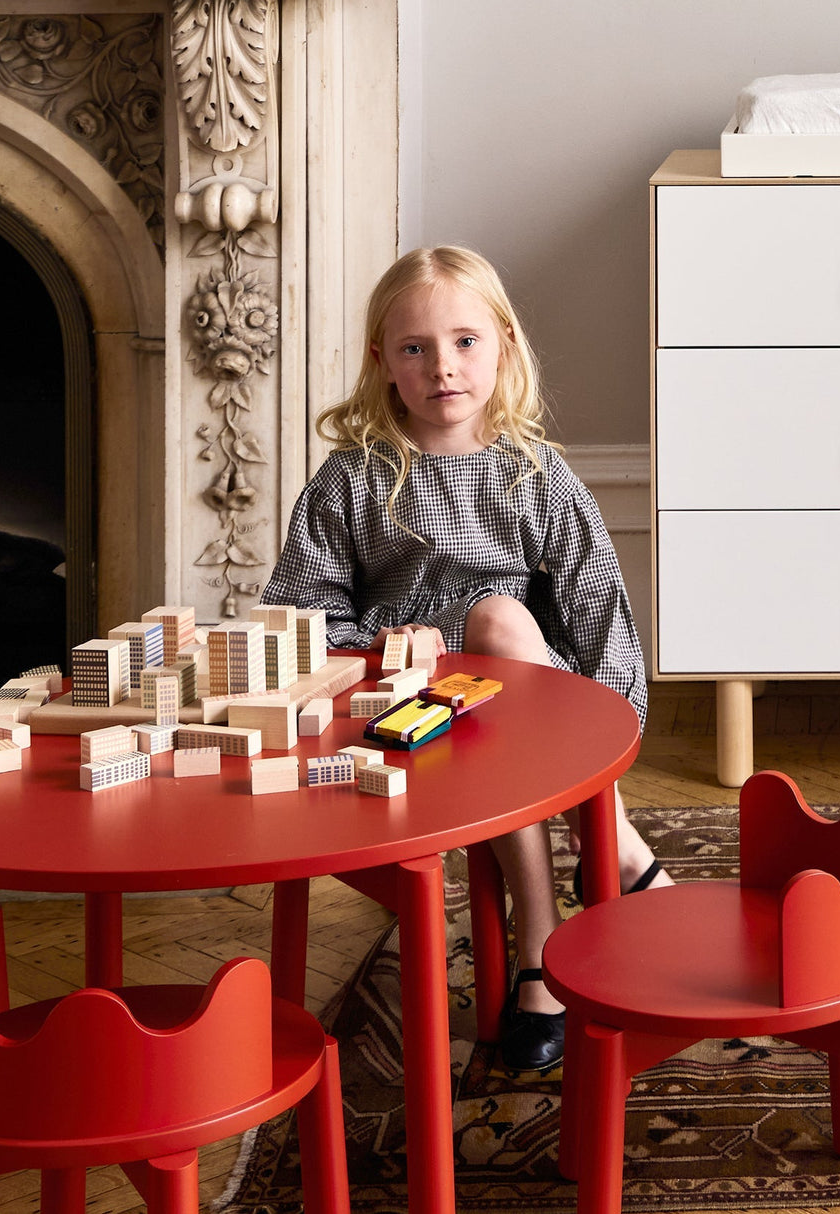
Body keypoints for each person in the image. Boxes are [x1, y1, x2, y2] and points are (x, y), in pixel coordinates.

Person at [260, 245, 671, 1072]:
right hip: (402, 708)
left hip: (525, 710)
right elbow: (301, 621)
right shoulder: (352, 481)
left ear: (505, 346)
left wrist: (609, 732)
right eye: (414, 348)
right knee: (490, 621)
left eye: (464, 342)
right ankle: (616, 856)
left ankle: (541, 939)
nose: (442, 368)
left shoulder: (537, 476)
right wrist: (399, 643)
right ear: (382, 363)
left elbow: (602, 620)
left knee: (503, 624)